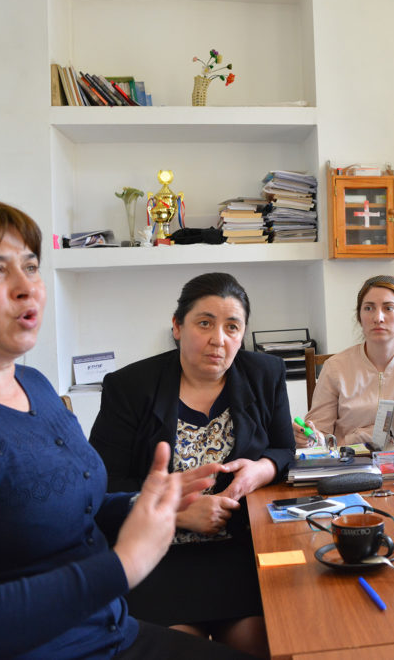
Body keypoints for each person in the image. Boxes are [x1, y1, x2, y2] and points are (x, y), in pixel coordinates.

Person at [0, 198, 248, 659]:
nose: (28, 288)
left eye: (31, 266)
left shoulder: (32, 382)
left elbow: (70, 507)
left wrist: (150, 505)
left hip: (106, 631)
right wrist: (124, 565)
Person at [90, 272, 292, 658]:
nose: (219, 339)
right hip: (160, 552)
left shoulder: (265, 374)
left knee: (259, 640)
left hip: (239, 549)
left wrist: (261, 469)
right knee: (181, 646)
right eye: (205, 323)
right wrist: (178, 513)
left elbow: (285, 450)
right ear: (177, 326)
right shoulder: (130, 387)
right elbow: (100, 487)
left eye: (232, 327)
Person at [295, 275, 394, 448]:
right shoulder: (335, 367)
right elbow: (321, 432)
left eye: (388, 308)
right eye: (369, 308)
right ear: (359, 317)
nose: (378, 317)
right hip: (347, 463)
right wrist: (310, 437)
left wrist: (354, 437)